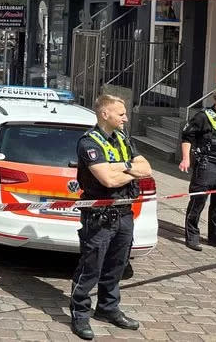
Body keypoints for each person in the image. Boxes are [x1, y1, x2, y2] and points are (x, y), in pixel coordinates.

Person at [69, 94, 152, 340]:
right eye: (121, 114)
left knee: (117, 265)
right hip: (100, 216)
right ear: (105, 114)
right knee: (90, 268)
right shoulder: (89, 143)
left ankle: (107, 308)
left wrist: (120, 166)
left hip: (125, 212)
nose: (126, 118)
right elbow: (108, 180)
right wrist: (130, 169)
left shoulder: (124, 138)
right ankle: (80, 314)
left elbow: (147, 168)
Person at [180, 85, 216, 251]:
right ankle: (192, 237)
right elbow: (187, 137)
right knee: (198, 202)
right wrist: (185, 159)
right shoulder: (202, 117)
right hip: (207, 166)